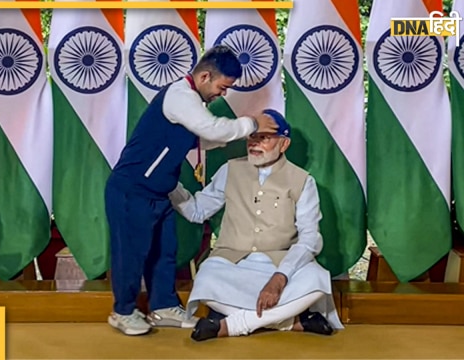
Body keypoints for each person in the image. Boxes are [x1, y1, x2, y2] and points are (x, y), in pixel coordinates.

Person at [105, 45, 278, 336]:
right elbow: (210, 129)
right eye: (223, 87)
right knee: (131, 254)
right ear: (205, 76)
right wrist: (252, 124)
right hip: (131, 190)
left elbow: (202, 139)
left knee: (164, 252)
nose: (222, 95)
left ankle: (162, 307)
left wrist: (230, 136)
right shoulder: (180, 95)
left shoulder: (192, 104)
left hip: (161, 191)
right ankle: (122, 311)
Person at [169, 109, 344, 341]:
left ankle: (231, 325)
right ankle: (289, 322)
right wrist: (168, 184)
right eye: (252, 136)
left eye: (265, 138)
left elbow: (311, 237)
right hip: (231, 263)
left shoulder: (302, 180)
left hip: (281, 263)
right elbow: (197, 210)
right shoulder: (229, 170)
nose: (255, 143)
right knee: (207, 278)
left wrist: (280, 277)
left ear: (284, 144)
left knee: (315, 279)